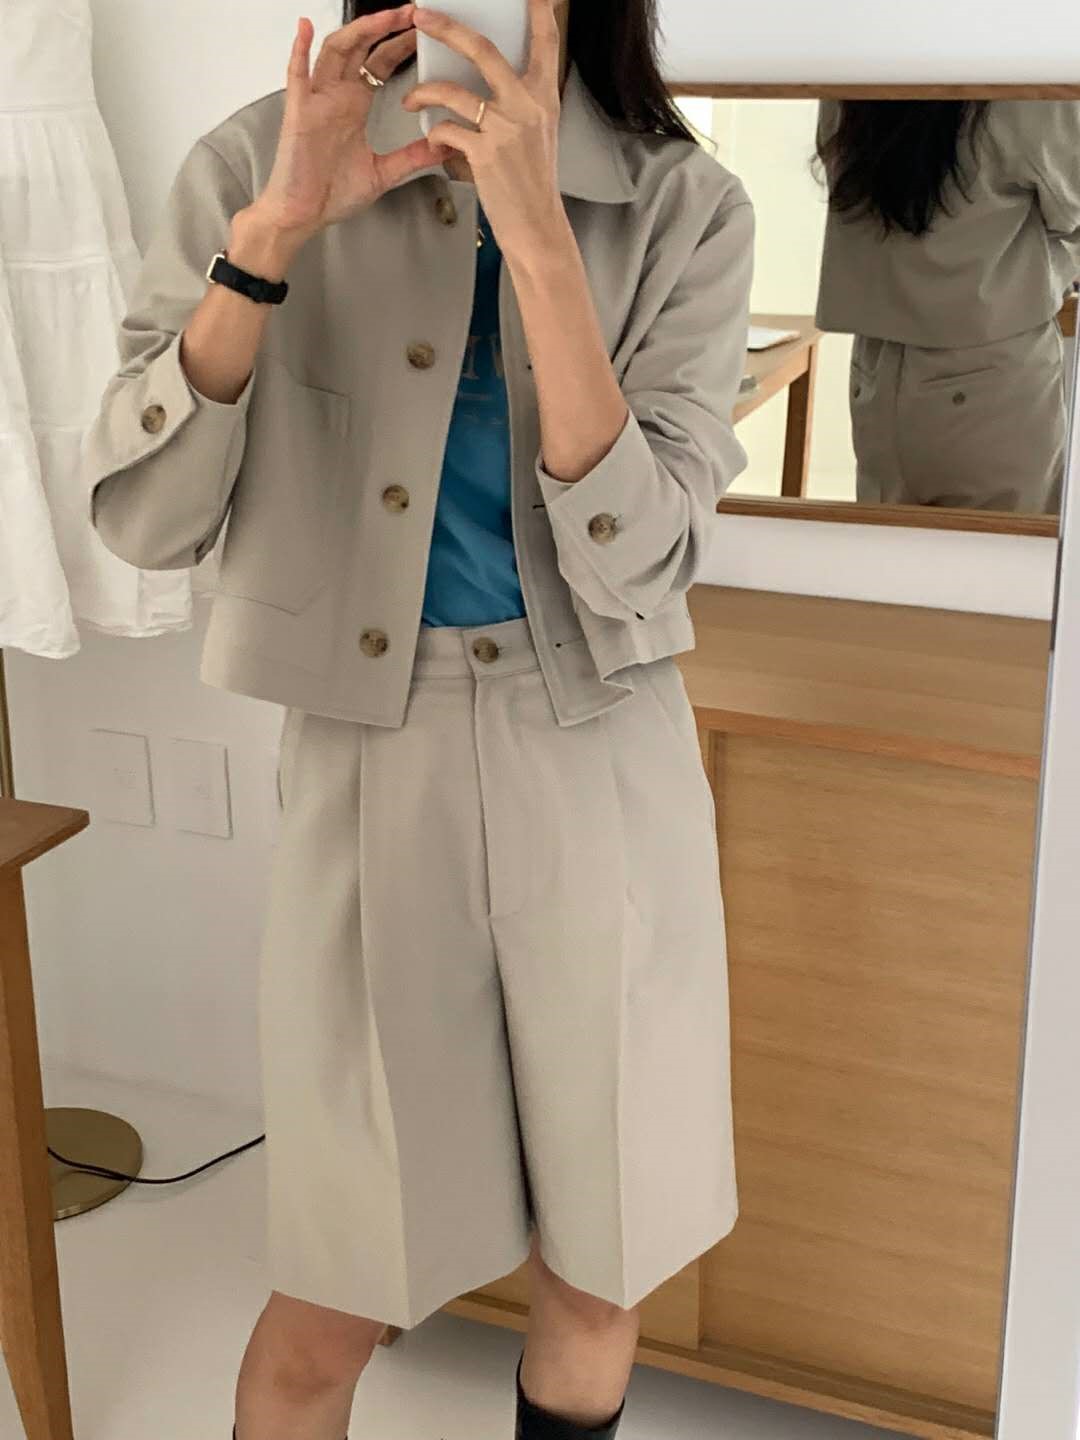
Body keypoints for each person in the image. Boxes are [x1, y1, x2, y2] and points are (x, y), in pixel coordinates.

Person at [82, 2, 755, 1437]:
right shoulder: (261, 164)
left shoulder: (684, 206)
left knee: (600, 1273)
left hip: (602, 757)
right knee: (337, 1291)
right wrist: (272, 239)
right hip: (369, 760)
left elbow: (642, 565)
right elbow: (143, 519)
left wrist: (544, 243)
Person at [814, 99, 1080, 512]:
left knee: (892, 545)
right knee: (1008, 547)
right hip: (991, 367)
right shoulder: (1021, 88)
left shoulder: (851, 83)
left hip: (876, 364)